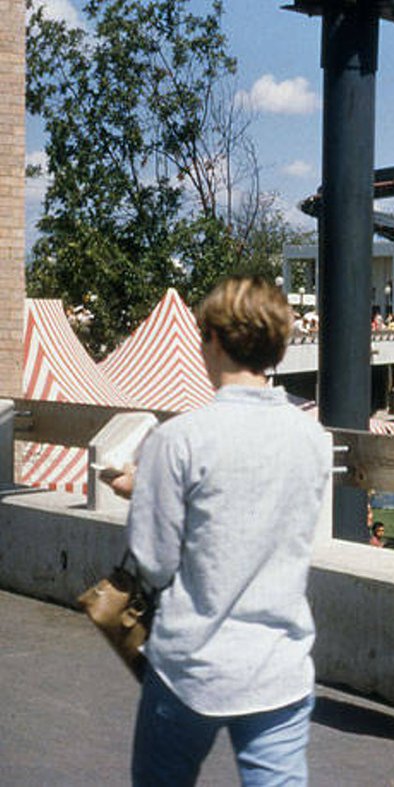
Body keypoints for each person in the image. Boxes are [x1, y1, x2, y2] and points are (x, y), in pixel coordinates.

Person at [106, 276, 332, 785]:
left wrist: (143, 492)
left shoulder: (178, 439)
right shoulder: (312, 438)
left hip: (192, 666)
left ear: (212, 338)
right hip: (280, 663)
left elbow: (155, 559)